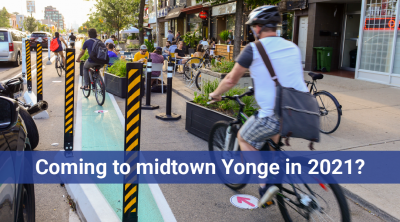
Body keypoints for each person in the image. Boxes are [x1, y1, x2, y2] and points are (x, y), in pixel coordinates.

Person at [208, 5, 308, 208]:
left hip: (273, 114)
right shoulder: (292, 47)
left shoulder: (253, 49)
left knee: (244, 138)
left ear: (259, 27)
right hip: (301, 111)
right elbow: (286, 75)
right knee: (272, 145)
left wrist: (216, 94)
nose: (253, 30)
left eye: (253, 26)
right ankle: (278, 181)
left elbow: (230, 79)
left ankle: (265, 186)